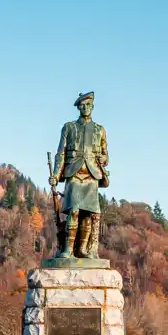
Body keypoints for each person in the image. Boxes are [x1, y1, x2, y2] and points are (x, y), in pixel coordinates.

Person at [48, 92, 109, 258]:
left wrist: (103, 159)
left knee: (88, 214)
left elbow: (106, 155)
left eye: (88, 105)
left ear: (93, 107)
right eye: (82, 105)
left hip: (92, 174)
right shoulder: (69, 127)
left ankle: (82, 249)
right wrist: (55, 174)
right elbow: (60, 153)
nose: (85, 107)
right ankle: (68, 249)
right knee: (74, 211)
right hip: (74, 174)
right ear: (78, 107)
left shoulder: (100, 130)